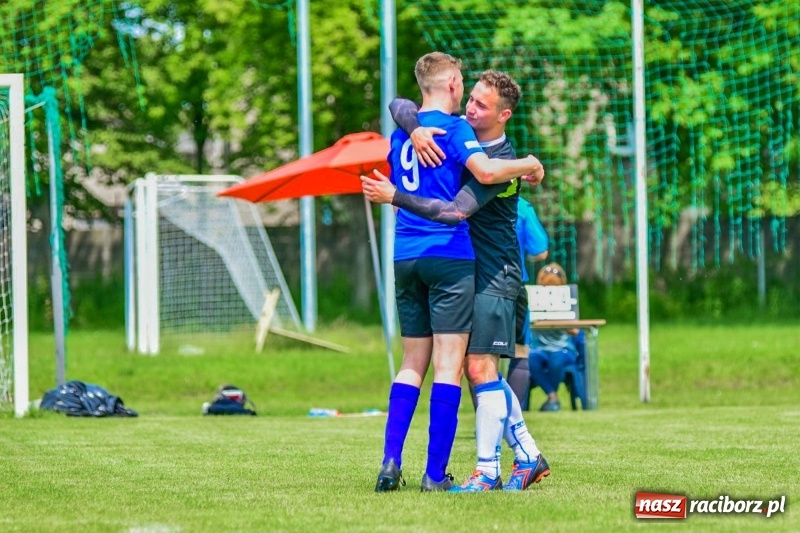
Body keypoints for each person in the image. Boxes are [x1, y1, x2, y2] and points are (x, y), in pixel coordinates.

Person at [363, 69, 549, 492]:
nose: (470, 107)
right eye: (471, 98)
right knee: (471, 369)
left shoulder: (499, 161)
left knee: (479, 367)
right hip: (467, 270)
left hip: (495, 275)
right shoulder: (460, 138)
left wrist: (395, 196)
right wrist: (416, 129)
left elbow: (455, 211)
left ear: (503, 115)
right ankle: (529, 454)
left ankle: (487, 472)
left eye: (481, 105)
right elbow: (401, 104)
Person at [506, 197, 549, 411]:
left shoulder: (469, 196)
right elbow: (540, 251)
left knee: (478, 357)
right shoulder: (521, 206)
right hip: (513, 283)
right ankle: (512, 421)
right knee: (520, 351)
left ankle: (485, 420)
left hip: (476, 283)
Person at [527, 262, 582, 412]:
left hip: (562, 348)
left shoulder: (569, 300)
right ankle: (552, 396)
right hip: (538, 348)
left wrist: (561, 321)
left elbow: (576, 331)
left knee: (556, 360)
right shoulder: (533, 299)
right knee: (530, 359)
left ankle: (552, 398)